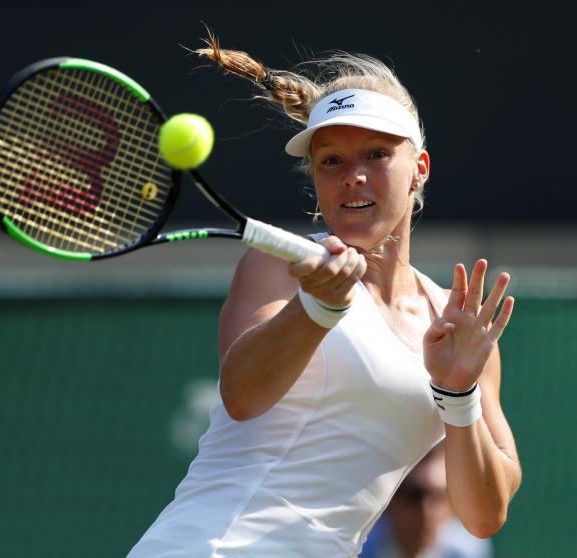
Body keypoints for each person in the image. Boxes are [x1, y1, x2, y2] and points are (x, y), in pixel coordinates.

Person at [128, 32, 521, 558]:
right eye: (331, 161)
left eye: (377, 154)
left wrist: (458, 393)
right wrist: (317, 307)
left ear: (418, 170)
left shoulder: (458, 328)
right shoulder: (281, 267)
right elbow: (241, 396)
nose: (353, 177)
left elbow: (483, 514)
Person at [359, 443, 493, 558]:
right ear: (390, 499)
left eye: (438, 496)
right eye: (414, 495)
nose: (426, 512)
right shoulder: (355, 548)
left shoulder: (466, 551)